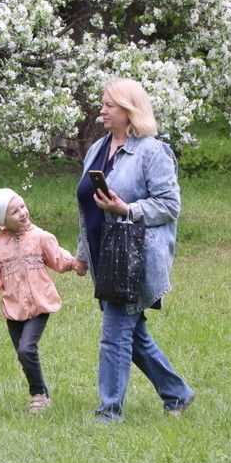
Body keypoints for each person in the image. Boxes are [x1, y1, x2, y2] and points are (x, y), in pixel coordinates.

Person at [75, 77, 195, 422]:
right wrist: (83, 254)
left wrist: (127, 209)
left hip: (134, 256)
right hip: (104, 255)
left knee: (114, 335)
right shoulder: (98, 148)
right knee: (133, 331)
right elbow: (88, 206)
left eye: (108, 105)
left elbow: (169, 206)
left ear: (129, 110)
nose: (101, 111)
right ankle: (177, 393)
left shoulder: (152, 152)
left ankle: (108, 412)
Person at [0, 188, 87, 413]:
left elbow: (57, 257)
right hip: (13, 308)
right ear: (2, 220)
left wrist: (76, 264)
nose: (22, 213)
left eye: (23, 207)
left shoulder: (39, 236)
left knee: (27, 349)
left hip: (39, 304)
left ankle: (37, 394)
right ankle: (42, 392)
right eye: (15, 211)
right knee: (22, 353)